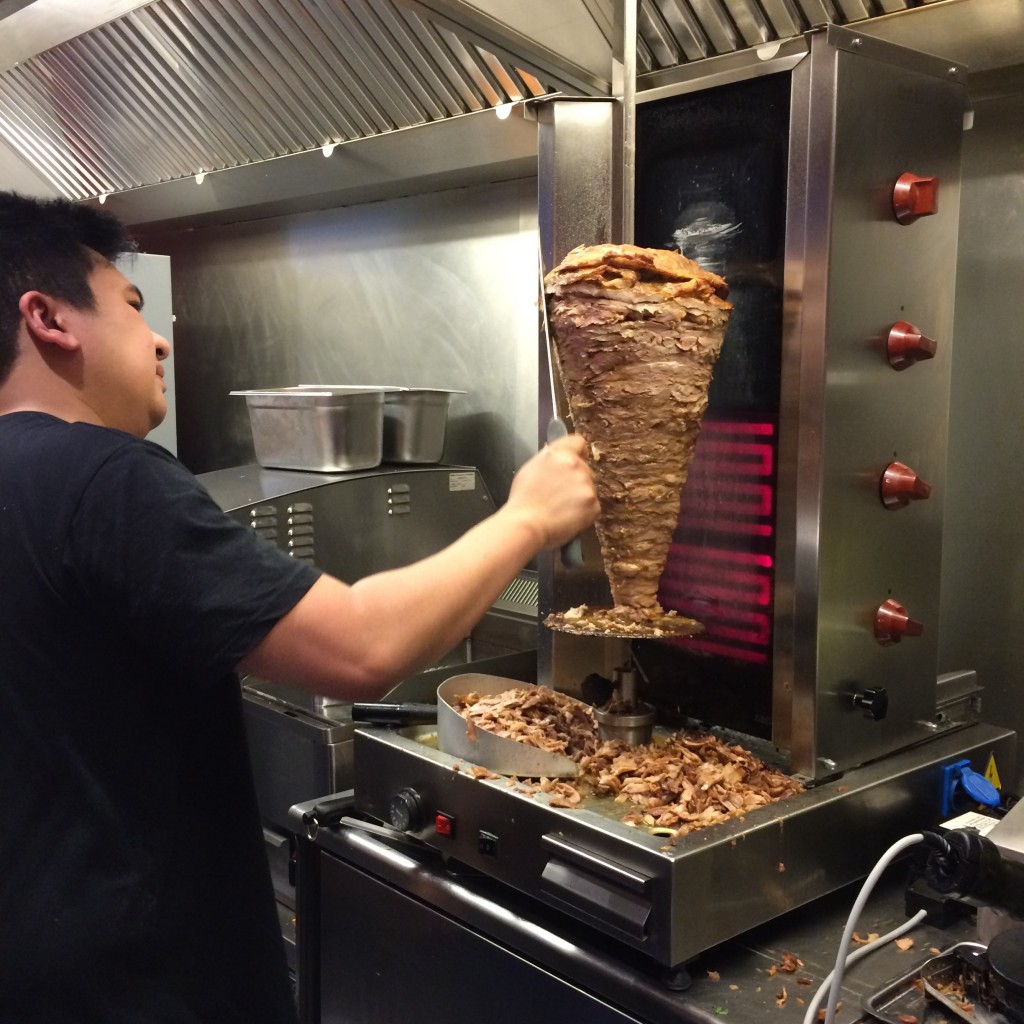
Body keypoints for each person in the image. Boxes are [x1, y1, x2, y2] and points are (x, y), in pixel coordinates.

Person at [0, 191, 599, 1024]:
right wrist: (527, 515)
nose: (159, 337)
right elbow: (360, 648)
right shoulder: (105, 478)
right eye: (132, 307)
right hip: (138, 982)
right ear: (49, 319)